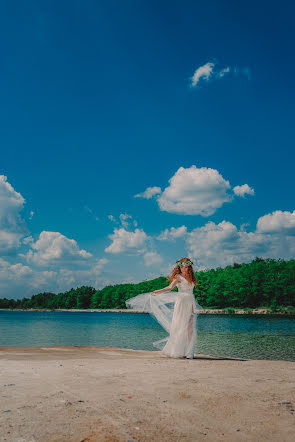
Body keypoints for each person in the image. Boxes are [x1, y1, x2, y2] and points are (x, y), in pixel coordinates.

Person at [125, 257, 203, 359]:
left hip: (190, 303)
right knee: (180, 327)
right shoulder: (178, 277)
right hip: (181, 304)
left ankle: (189, 352)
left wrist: (193, 309)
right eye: (182, 267)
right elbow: (169, 288)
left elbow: (191, 294)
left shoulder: (191, 277)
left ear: (189, 267)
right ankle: (179, 351)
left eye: (186, 267)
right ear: (180, 267)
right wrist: (158, 291)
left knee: (190, 328)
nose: (184, 269)